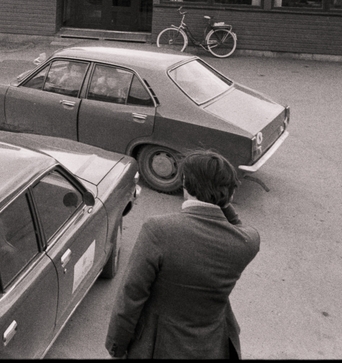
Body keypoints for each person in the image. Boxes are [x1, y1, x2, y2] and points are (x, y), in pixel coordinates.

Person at [105, 151, 260, 359]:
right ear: (230, 195)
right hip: (213, 347)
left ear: (185, 183)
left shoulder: (159, 230)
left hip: (158, 348)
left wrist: (117, 348)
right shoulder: (246, 243)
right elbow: (238, 225)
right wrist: (221, 200)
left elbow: (131, 296)